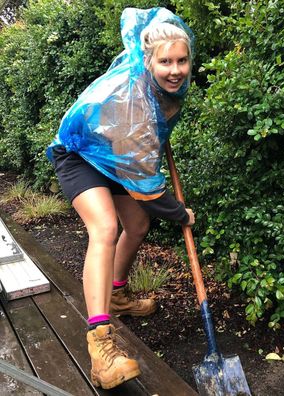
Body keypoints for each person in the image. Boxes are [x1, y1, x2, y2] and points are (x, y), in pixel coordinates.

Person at [47, 8, 195, 390]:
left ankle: (117, 295)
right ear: (147, 61)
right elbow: (146, 188)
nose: (175, 69)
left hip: (115, 154)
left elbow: (143, 147)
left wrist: (152, 140)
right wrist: (181, 214)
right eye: (165, 62)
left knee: (138, 225)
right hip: (79, 154)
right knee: (106, 227)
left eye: (182, 60)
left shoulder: (168, 90)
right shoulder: (134, 99)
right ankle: (101, 346)